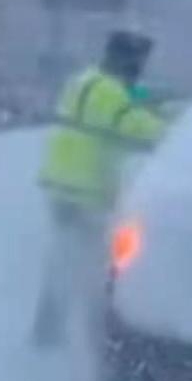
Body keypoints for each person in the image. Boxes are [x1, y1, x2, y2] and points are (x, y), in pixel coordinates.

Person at [31, 30, 168, 346]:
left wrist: (148, 99)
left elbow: (128, 102)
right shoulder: (110, 93)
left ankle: (47, 330)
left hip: (60, 186)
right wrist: (177, 131)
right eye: (139, 62)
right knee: (96, 265)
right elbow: (136, 125)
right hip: (85, 190)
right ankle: (97, 335)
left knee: (63, 257)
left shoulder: (84, 81)